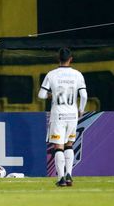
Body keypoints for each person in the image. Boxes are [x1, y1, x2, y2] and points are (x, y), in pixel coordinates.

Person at [38, 47, 87, 187]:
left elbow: (41, 95)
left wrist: (50, 95)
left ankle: (61, 179)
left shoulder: (52, 74)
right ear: (71, 59)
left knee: (58, 146)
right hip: (72, 114)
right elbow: (83, 95)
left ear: (58, 58)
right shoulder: (77, 75)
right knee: (69, 144)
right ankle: (69, 175)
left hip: (58, 114)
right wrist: (81, 110)